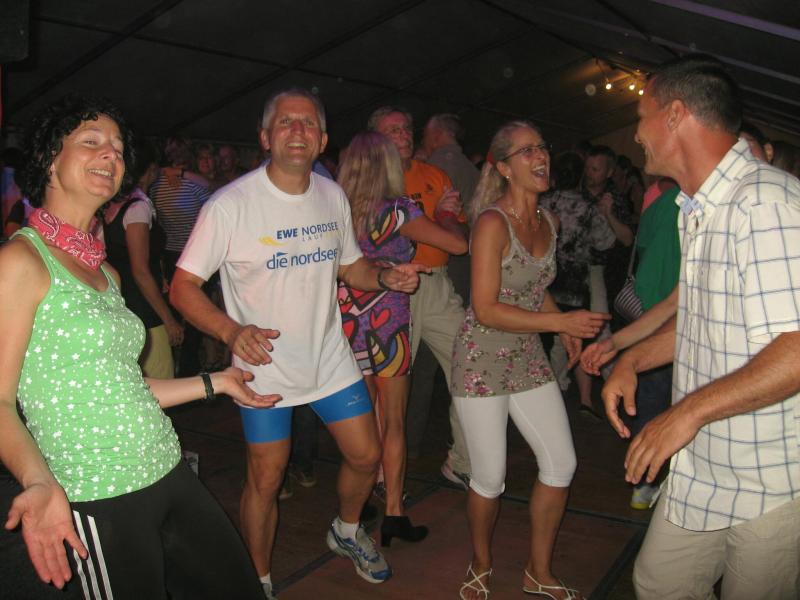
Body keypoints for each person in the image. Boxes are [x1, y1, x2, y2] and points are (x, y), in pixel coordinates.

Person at [1, 94, 279, 599]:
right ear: (49, 159)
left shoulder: (105, 272)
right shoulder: (21, 261)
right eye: (91, 142)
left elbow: (126, 387)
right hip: (97, 494)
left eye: (117, 147)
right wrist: (39, 481)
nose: (111, 154)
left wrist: (216, 382)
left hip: (166, 467)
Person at [170, 88, 427, 599]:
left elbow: (351, 266)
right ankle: (259, 580)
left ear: (323, 140)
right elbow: (182, 287)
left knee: (366, 455)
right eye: (285, 122)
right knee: (267, 479)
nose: (296, 130)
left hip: (329, 358)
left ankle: (347, 531)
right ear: (265, 137)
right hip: (264, 366)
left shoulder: (332, 196)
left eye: (307, 123)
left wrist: (384, 277)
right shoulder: (230, 205)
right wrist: (230, 331)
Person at [598, 55, 800, 599]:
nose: (636, 133)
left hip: (770, 479)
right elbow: (704, 321)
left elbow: (797, 350)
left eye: (641, 116)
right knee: (660, 584)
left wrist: (685, 412)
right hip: (704, 465)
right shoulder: (697, 209)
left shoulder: (764, 203)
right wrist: (633, 359)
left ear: (675, 115)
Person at [451, 120, 610, 600]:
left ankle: (537, 571)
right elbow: (486, 307)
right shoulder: (491, 223)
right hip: (481, 359)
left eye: (542, 147)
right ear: (503, 167)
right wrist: (560, 323)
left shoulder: (549, 222)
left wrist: (563, 326)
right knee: (489, 477)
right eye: (526, 151)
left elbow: (535, 288)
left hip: (526, 356)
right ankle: (481, 563)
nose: (540, 156)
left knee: (561, 463)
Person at [337, 131, 467, 546]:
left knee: (359, 421)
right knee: (393, 421)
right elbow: (457, 244)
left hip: (347, 323)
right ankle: (394, 512)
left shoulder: (333, 210)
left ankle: (358, 503)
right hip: (388, 325)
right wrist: (445, 213)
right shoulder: (399, 209)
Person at [368, 106, 471, 489]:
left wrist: (447, 217)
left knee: (470, 362)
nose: (403, 134)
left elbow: (458, 233)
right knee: (389, 385)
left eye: (406, 128)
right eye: (392, 129)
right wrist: (440, 219)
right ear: (376, 139)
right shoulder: (370, 181)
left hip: (436, 283)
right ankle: (380, 469)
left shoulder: (434, 175)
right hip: (392, 288)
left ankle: (462, 461)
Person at [540, 152, 615, 416]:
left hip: (546, 282)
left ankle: (548, 394)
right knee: (571, 338)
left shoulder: (542, 203)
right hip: (574, 283)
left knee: (548, 340)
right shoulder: (588, 208)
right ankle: (566, 394)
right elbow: (606, 242)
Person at [104, 138, 183, 378]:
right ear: (151, 169)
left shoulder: (112, 203)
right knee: (160, 382)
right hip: (144, 310)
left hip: (122, 303)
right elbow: (140, 270)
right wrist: (168, 319)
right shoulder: (137, 208)